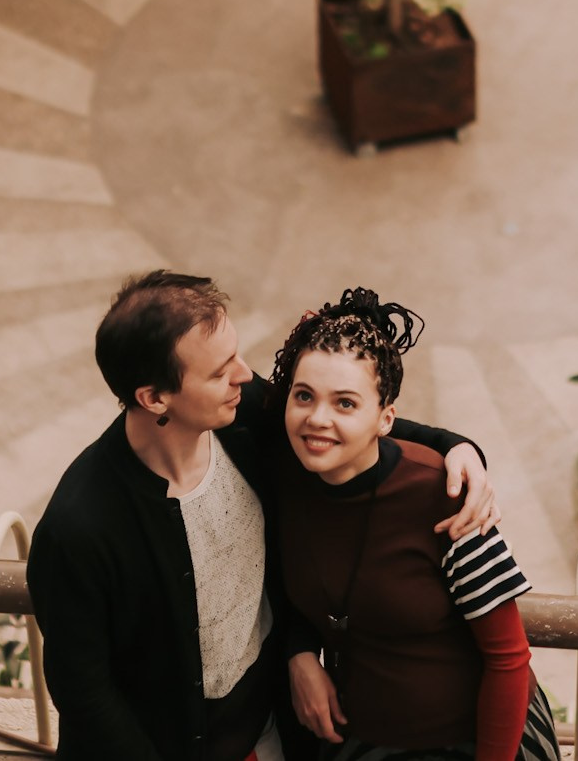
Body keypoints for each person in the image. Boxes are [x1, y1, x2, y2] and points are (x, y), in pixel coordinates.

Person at [28, 271, 502, 761]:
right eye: (218, 371)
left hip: (274, 730)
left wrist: (454, 446)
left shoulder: (242, 420)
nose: (243, 375)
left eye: (235, 354)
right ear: (154, 397)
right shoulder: (78, 526)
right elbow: (84, 692)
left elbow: (348, 420)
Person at [272, 289, 558, 761]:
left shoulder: (442, 496)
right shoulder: (286, 476)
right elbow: (292, 590)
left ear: (386, 420)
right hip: (364, 737)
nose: (317, 419)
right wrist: (298, 651)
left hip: (480, 742)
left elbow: (508, 659)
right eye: (304, 396)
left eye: (345, 403)